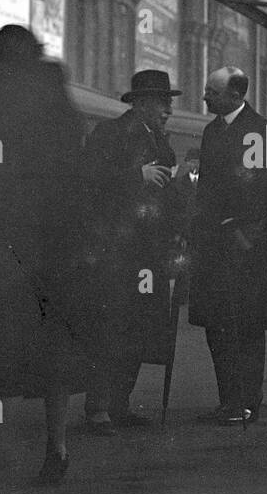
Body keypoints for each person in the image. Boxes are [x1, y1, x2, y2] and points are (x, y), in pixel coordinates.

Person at [0, 25, 89, 484]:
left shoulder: (5, 97)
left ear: (5, 59)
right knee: (53, 354)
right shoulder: (63, 104)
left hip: (6, 247)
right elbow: (76, 179)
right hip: (55, 251)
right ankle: (57, 447)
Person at [74, 69, 186, 435]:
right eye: (162, 102)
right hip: (117, 253)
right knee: (110, 328)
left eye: (169, 102)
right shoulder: (111, 134)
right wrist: (136, 177)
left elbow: (167, 193)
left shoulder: (162, 142)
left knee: (138, 329)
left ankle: (120, 404)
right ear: (140, 103)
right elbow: (87, 182)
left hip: (148, 253)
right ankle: (98, 409)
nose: (168, 109)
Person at [188, 67, 267, 425]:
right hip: (214, 247)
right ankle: (229, 401)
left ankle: (247, 403)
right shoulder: (212, 131)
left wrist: (244, 229)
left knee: (246, 327)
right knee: (218, 326)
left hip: (246, 248)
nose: (204, 98)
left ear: (234, 95)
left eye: (211, 92)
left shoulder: (265, 133)